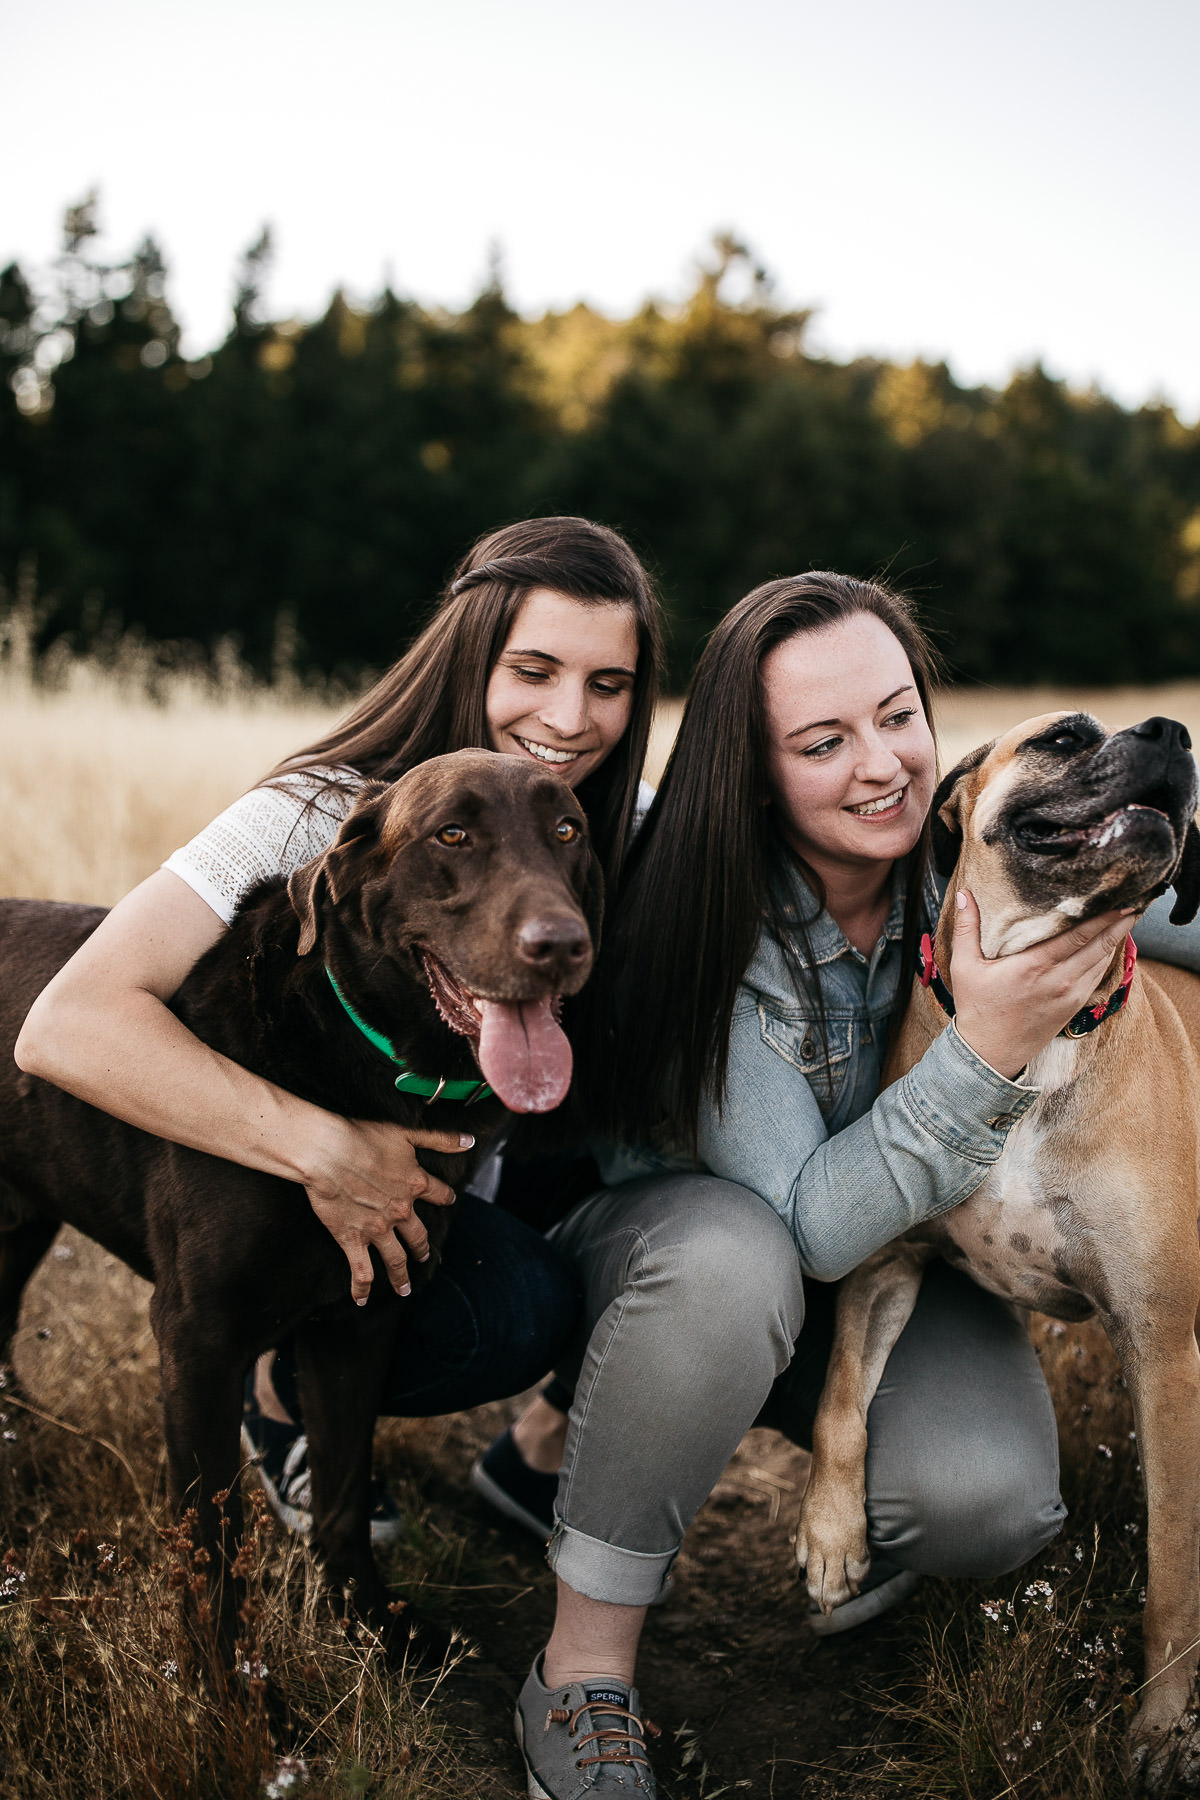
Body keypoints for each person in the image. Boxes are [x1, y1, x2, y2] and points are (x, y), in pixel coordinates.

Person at [499, 571, 1200, 1800]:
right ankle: (581, 1665)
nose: (883, 766)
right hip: (729, 1249)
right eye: (824, 743)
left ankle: (883, 1505)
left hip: (903, 1242)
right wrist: (982, 1045)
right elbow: (818, 1231)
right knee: (737, 1262)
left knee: (986, 1508)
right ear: (757, 775)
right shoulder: (718, 920)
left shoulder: (974, 863)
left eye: (898, 716)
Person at [14, 514, 663, 1538]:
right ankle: (281, 1408)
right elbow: (65, 1027)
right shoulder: (317, 816)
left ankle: (537, 1446)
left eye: (609, 684)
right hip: (336, 1145)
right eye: (532, 669)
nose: (569, 717)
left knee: (575, 1261)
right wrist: (325, 1152)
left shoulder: (616, 820)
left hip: (487, 1152)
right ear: (468, 653)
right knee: (499, 1306)